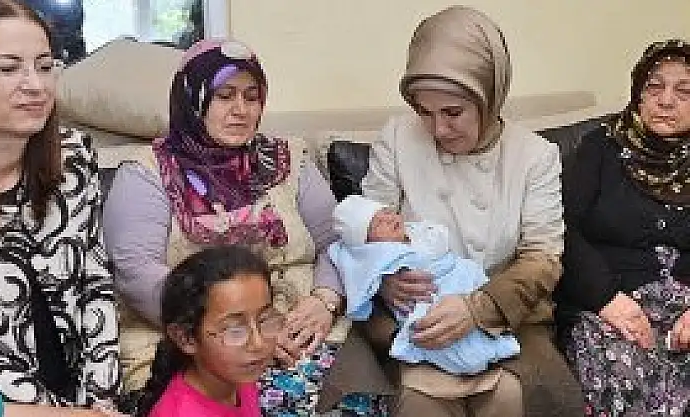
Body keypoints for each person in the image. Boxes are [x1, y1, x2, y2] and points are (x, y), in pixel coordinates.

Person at [103, 39, 389, 416]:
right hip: (205, 346)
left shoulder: (290, 160)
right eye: (224, 96)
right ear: (192, 98)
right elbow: (136, 274)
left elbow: (336, 243)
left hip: (307, 333)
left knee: (360, 403)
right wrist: (249, 332)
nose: (241, 110)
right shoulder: (147, 174)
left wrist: (324, 301)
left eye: (251, 97)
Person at [360, 5, 584, 417]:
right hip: (418, 317)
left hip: (508, 315)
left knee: (509, 398)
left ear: (490, 97)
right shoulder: (396, 138)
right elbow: (367, 228)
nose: (437, 129)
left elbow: (543, 258)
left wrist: (477, 309)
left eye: (453, 113)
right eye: (424, 112)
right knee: (418, 403)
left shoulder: (535, 156)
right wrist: (385, 279)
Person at [0, 0, 119, 415]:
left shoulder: (74, 155)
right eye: (9, 68)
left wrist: (100, 402)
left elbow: (94, 281)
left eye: (45, 66)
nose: (36, 86)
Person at [555, 39, 690, 416]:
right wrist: (607, 299)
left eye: (683, 91)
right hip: (610, 305)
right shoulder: (600, 148)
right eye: (654, 87)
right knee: (622, 372)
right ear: (637, 94)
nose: (666, 101)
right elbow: (560, 228)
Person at [328, 194, 520, 374]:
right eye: (378, 223)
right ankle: (469, 357)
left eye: (386, 212)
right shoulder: (378, 257)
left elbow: (440, 240)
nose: (388, 219)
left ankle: (497, 345)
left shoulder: (417, 231)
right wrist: (380, 280)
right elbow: (354, 267)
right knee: (435, 328)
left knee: (477, 302)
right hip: (425, 295)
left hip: (458, 275)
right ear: (367, 244)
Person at [135, 246, 279, 417]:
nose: (258, 343)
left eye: (264, 320)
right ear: (186, 338)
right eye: (234, 330)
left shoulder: (239, 375)